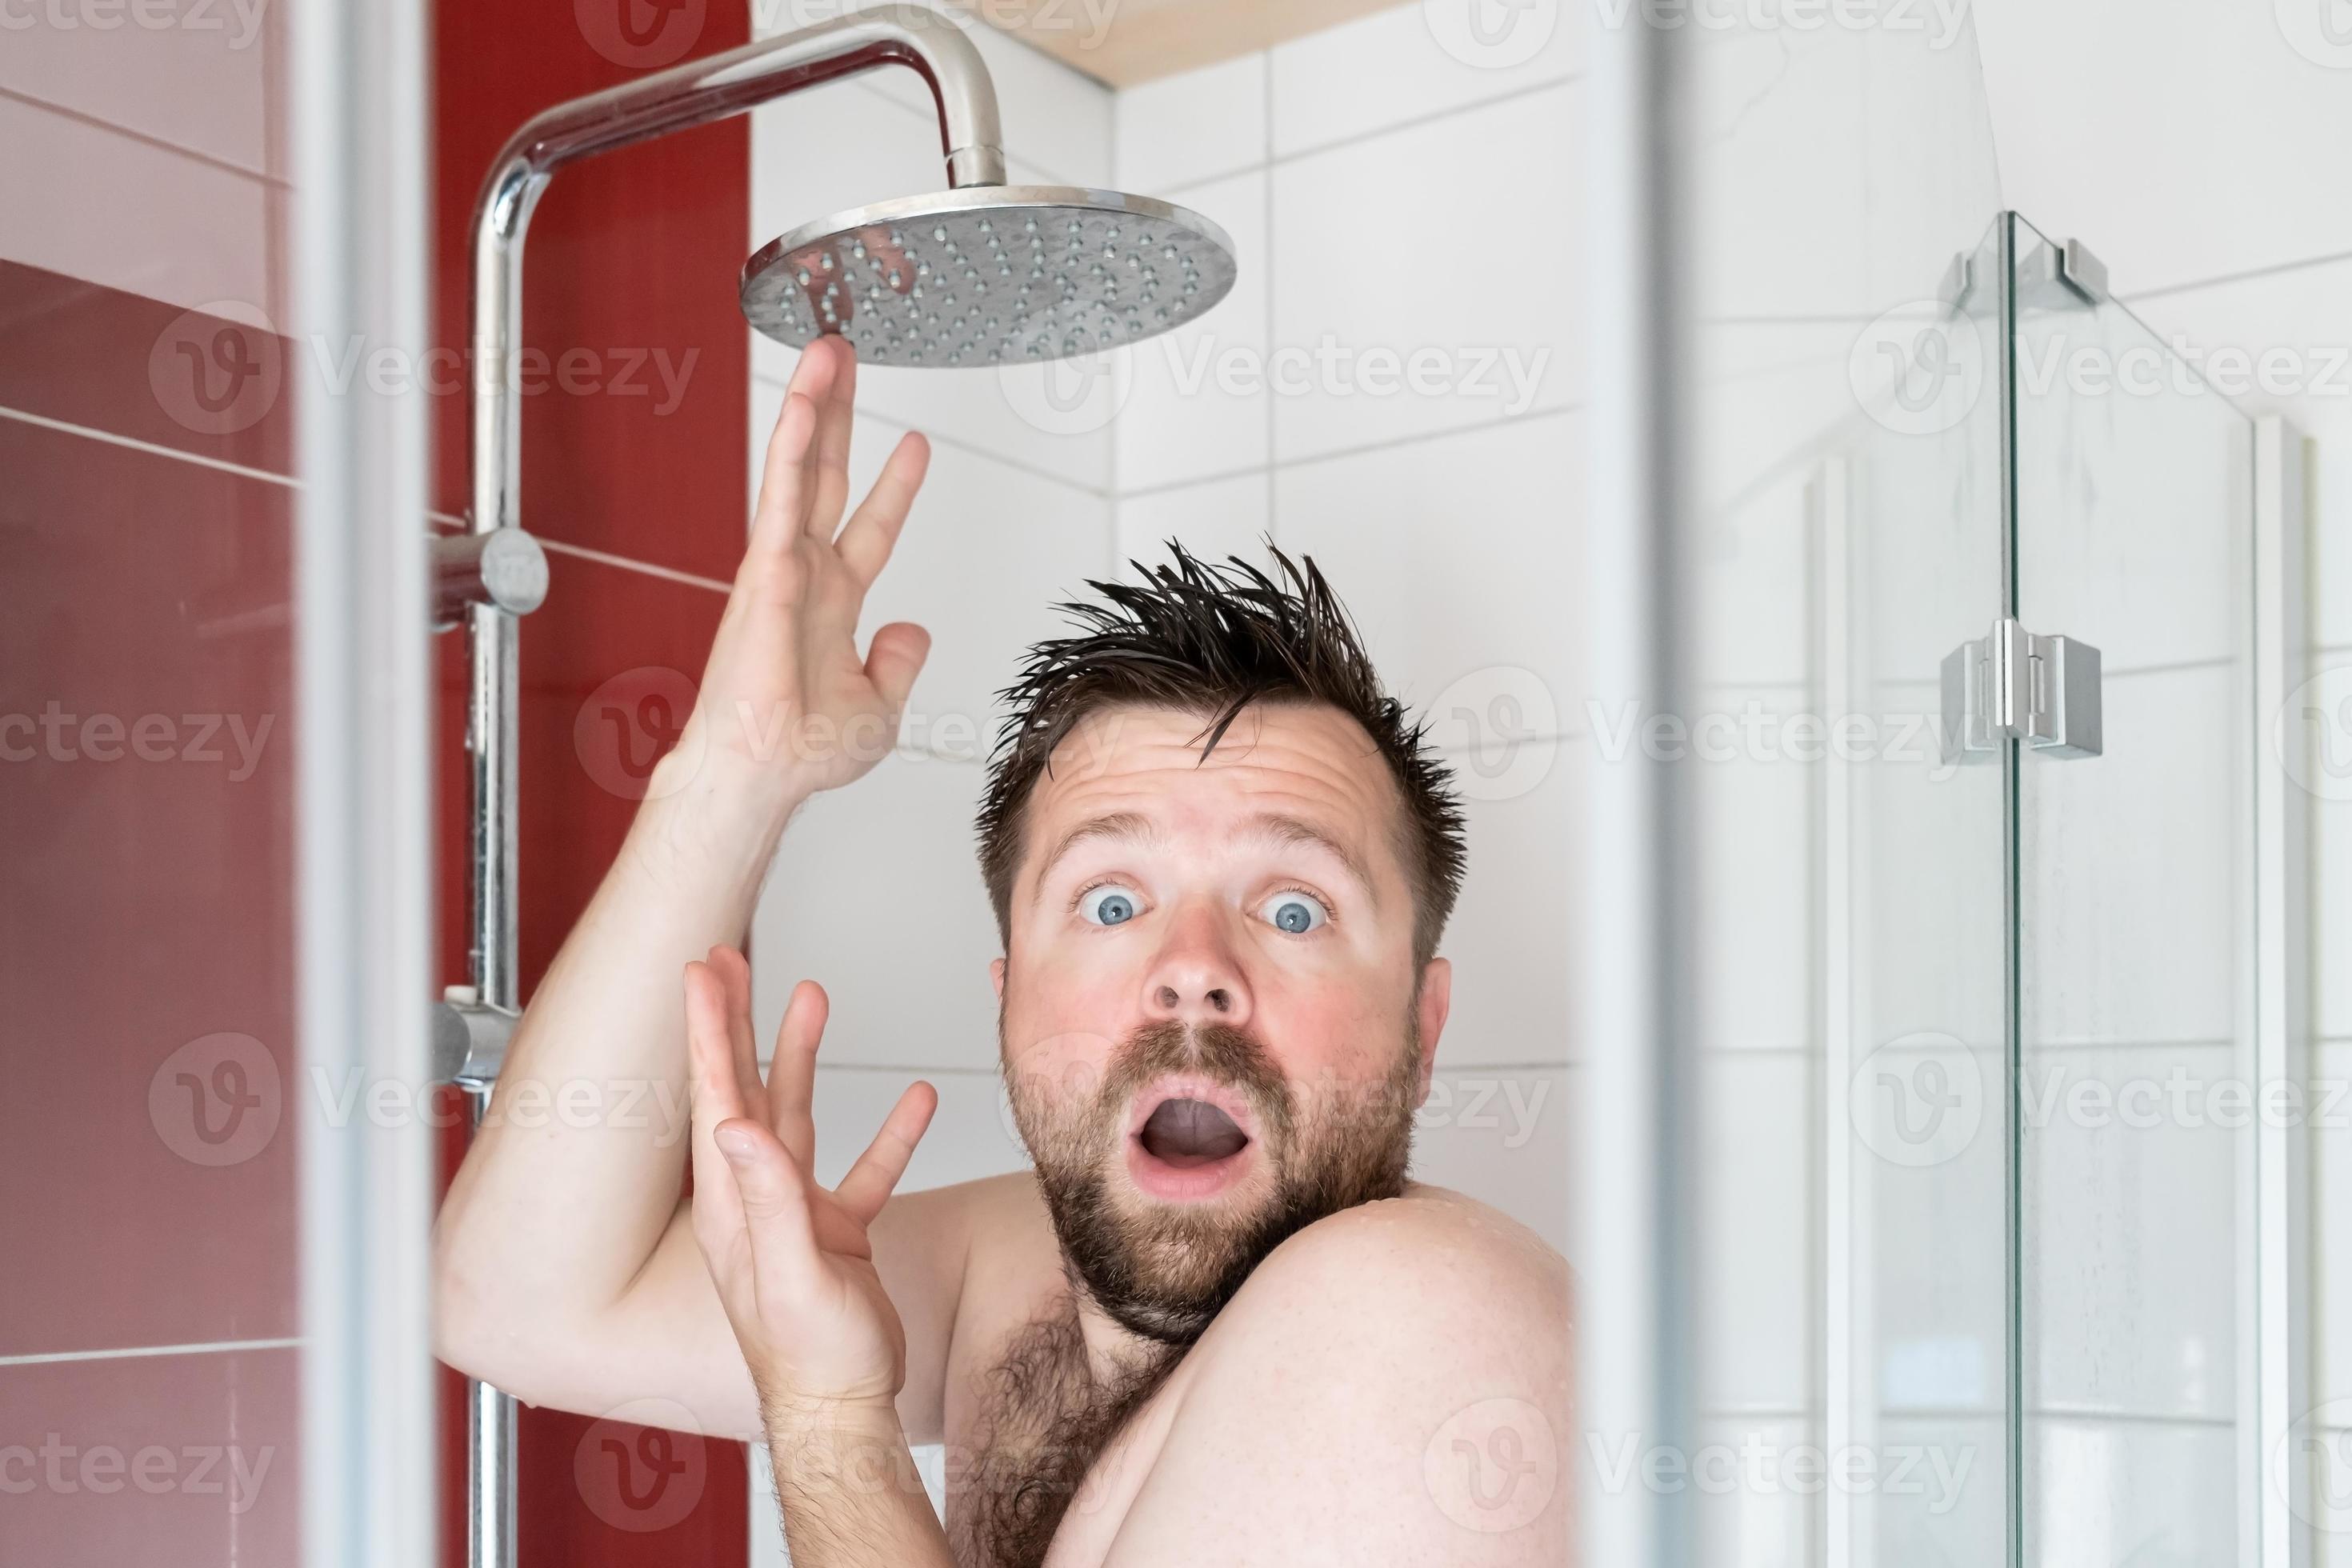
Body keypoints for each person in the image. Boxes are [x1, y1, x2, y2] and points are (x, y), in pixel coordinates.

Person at [432, 334, 1573, 1567]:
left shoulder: (1420, 1321)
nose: (1192, 967)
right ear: (1010, 1000)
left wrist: (828, 1419)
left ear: (1422, 1025)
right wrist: (735, 776)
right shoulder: (1022, 1284)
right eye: (1111, 901)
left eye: (1293, 909)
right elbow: (516, 1306)